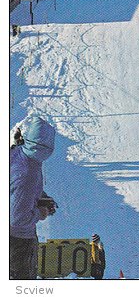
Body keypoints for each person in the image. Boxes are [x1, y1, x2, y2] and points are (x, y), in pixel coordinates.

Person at [10, 117, 57, 279]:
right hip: (16, 241)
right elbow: (17, 219)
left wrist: (40, 197)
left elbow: (15, 190)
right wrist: (39, 212)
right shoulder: (27, 173)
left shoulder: (19, 154)